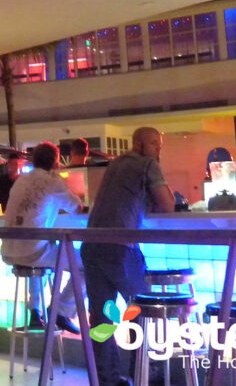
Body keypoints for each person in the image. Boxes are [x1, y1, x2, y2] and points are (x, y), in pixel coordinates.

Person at [81, 127, 175, 386]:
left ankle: (108, 380)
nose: (158, 149)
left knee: (101, 319)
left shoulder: (114, 165)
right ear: (140, 144)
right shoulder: (147, 165)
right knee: (143, 312)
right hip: (120, 248)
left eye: (160, 145)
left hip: (91, 246)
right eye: (155, 144)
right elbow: (168, 205)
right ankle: (145, 374)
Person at [0, 142, 81, 333]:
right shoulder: (52, 181)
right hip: (33, 252)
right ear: (56, 161)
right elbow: (77, 208)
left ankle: (35, 312)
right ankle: (61, 310)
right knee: (90, 262)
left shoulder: (21, 180)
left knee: (40, 250)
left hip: (8, 251)